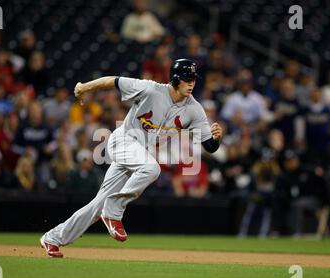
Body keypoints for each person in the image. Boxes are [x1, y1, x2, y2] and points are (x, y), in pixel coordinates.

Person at [40, 59, 223, 257]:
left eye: (194, 79)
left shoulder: (194, 109)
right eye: (187, 79)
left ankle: (52, 238)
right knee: (152, 169)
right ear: (175, 78)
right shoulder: (151, 89)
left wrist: (216, 138)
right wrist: (85, 87)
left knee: (97, 205)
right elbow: (114, 81)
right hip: (123, 141)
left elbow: (210, 146)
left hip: (139, 153)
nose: (191, 83)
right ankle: (113, 212)